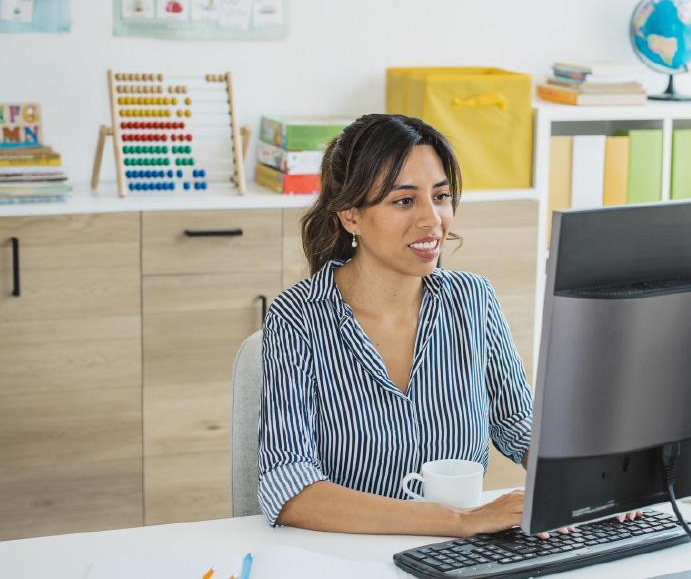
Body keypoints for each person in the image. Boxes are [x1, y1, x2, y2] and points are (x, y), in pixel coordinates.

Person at [257, 114, 642, 537]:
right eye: (404, 201)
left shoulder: (472, 300)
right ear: (350, 216)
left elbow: (519, 422)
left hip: (459, 557)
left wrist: (594, 483)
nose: (432, 219)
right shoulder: (297, 318)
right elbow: (289, 485)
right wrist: (459, 521)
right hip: (346, 557)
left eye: (440, 196)